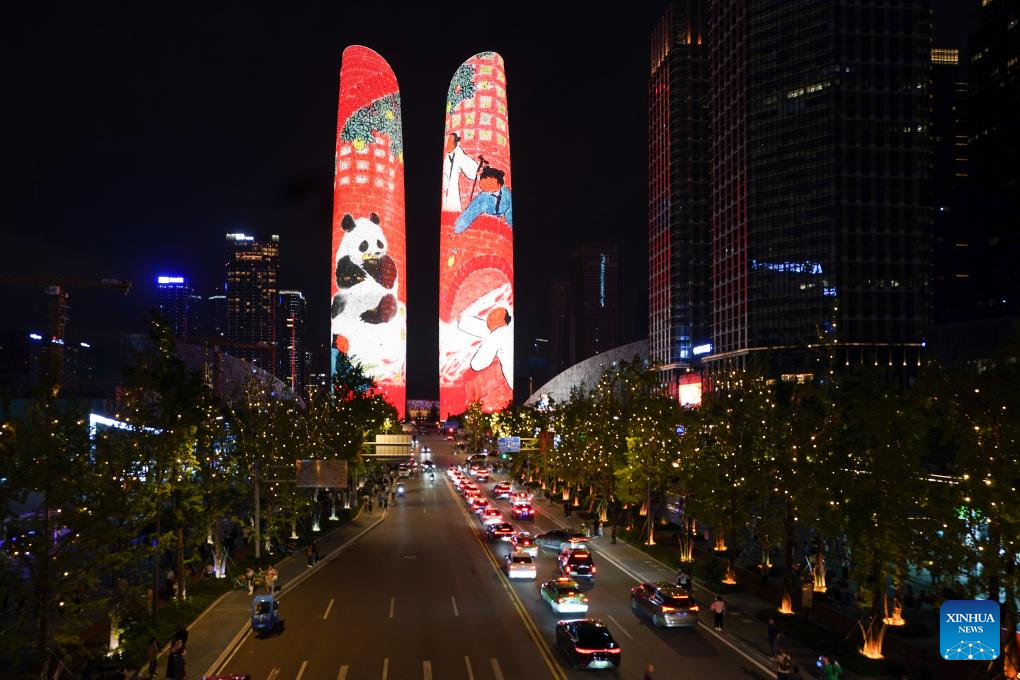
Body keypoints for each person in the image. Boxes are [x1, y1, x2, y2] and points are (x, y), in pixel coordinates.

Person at [453, 166, 513, 232]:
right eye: (483, 181)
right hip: (490, 223)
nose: (486, 184)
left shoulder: (507, 194)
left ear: (500, 183)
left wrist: (507, 218)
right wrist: (457, 229)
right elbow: (470, 211)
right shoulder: (483, 196)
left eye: (490, 181)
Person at [441, 132, 480, 212]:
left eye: (450, 142)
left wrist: (476, 171)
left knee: (451, 208)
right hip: (444, 187)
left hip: (451, 189)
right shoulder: (447, 155)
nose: (448, 144)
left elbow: (467, 162)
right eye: (448, 141)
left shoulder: (458, 154)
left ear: (455, 143)